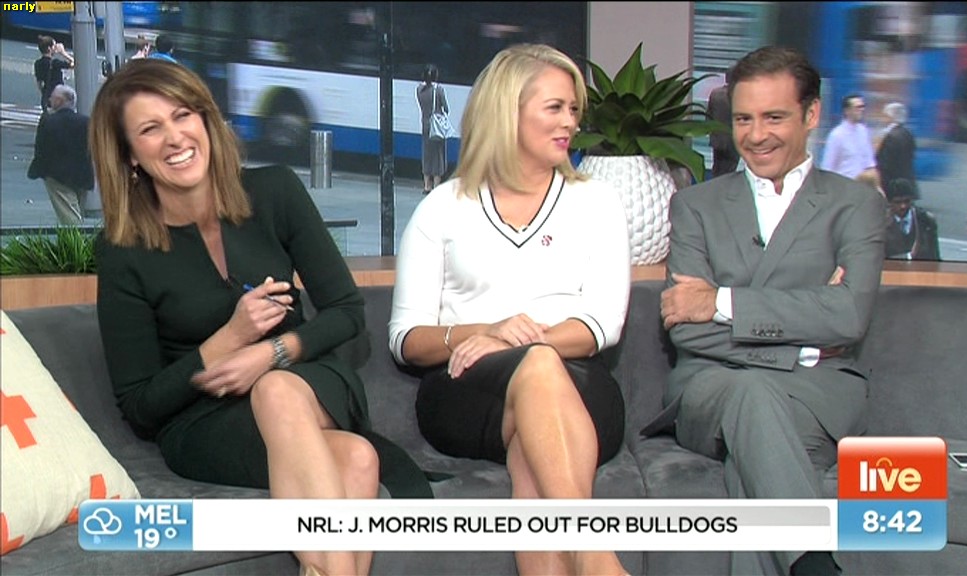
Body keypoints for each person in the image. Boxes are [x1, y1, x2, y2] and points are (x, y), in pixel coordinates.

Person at [89, 59, 429, 576]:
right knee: (358, 459)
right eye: (150, 129)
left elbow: (346, 312)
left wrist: (272, 353)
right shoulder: (121, 250)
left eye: (183, 115)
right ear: (130, 155)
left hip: (307, 379)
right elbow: (139, 405)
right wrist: (229, 338)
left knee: (276, 389)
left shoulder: (274, 191)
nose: (175, 137)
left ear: (206, 120)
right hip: (205, 421)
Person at [389, 44, 631, 576]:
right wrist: (486, 332)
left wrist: (516, 340)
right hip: (466, 390)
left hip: (579, 386)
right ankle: (595, 557)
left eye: (574, 109)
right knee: (537, 373)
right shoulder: (442, 208)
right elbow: (406, 339)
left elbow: (602, 324)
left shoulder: (598, 202)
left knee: (535, 422)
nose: (570, 122)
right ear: (507, 111)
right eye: (555, 107)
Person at [649, 46, 886, 576]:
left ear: (811, 114)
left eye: (774, 117)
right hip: (711, 389)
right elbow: (687, 331)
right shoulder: (695, 206)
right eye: (743, 119)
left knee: (753, 464)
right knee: (753, 394)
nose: (756, 136)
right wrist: (808, 338)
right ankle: (816, 565)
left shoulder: (856, 205)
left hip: (818, 396)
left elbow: (849, 316)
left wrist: (720, 302)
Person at [28, 85, 93, 225]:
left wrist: (39, 170)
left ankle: (76, 239)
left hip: (56, 175)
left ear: (59, 101)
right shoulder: (86, 122)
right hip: (83, 175)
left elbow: (41, 148)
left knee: (69, 217)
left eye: (52, 98)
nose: (50, 100)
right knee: (76, 210)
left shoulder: (48, 121)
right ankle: (76, 236)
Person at [821, 93, 877, 185]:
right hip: (843, 186)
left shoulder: (863, 131)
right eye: (858, 107)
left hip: (862, 186)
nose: (862, 110)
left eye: (863, 106)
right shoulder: (837, 135)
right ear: (847, 111)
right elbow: (828, 166)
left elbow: (869, 162)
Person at [883, 178, 939, 261]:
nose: (903, 206)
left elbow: (934, 256)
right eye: (897, 202)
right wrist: (907, 256)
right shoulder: (880, 224)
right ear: (889, 202)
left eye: (907, 201)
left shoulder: (926, 220)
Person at [416, 64, 448, 194]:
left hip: (425, 125)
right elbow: (446, 108)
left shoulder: (419, 89)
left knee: (427, 154)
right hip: (436, 127)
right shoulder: (439, 90)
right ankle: (436, 185)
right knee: (438, 155)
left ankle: (426, 185)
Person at [707, 66, 740, 178]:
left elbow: (709, 115)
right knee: (730, 169)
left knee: (717, 168)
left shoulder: (715, 93)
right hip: (732, 139)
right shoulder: (737, 96)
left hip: (717, 138)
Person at [875, 101, 916, 192]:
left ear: (890, 117)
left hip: (892, 186)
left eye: (884, 115)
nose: (881, 119)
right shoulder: (908, 134)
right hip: (906, 184)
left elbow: (884, 163)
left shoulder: (889, 136)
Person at [33, 35, 74, 112]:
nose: (56, 48)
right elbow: (74, 64)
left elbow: (39, 83)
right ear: (49, 48)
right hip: (58, 98)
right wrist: (63, 53)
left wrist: (44, 93)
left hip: (46, 98)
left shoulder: (37, 63)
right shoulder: (55, 63)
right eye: (54, 46)